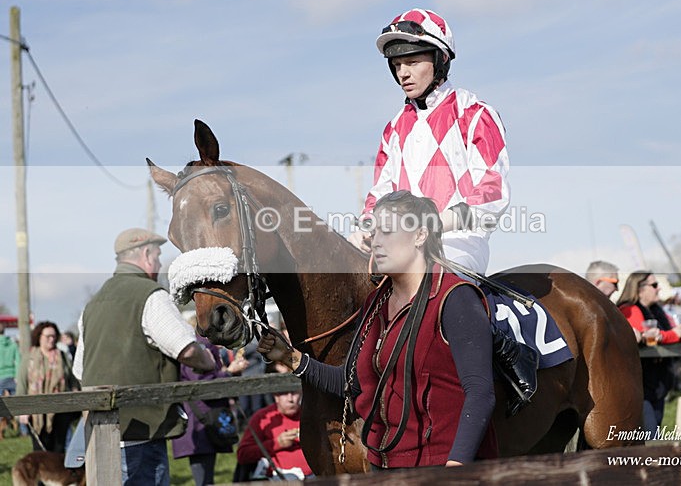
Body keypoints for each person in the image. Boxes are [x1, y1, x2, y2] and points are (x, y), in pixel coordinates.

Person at [261, 191, 499, 469]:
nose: (376, 242)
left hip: (440, 468)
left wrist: (456, 468)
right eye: (374, 233)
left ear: (420, 236)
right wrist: (291, 358)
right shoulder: (376, 301)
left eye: (387, 232)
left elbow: (480, 393)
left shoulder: (455, 297)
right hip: (383, 466)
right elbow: (351, 385)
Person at [347, 8, 510, 274]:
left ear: (440, 60)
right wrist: (365, 228)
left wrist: (434, 223)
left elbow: (492, 191)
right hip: (401, 245)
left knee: (430, 277)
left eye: (412, 63)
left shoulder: (475, 114)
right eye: (397, 65)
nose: (403, 74)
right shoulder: (394, 128)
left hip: (457, 242)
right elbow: (381, 192)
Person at [73, 227, 216, 486]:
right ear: (147, 255)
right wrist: (208, 362)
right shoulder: (151, 296)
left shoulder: (93, 304)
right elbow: (187, 349)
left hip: (100, 438)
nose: (160, 263)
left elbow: (79, 370)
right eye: (159, 256)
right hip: (142, 435)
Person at [172, 310, 249, 486]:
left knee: (206, 478)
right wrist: (230, 372)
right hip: (201, 420)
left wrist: (229, 373)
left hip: (205, 418)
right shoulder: (197, 347)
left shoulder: (200, 345)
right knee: (204, 480)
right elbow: (201, 382)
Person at [617, 271, 681, 436]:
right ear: (640, 289)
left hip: (657, 381)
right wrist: (672, 335)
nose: (659, 289)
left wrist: (672, 335)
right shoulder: (629, 309)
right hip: (639, 382)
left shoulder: (658, 310)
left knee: (655, 428)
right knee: (650, 434)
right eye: (655, 285)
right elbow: (646, 336)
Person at [17, 321, 80, 452]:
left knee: (59, 450)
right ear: (39, 336)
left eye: (54, 336)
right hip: (36, 413)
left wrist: (76, 397)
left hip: (61, 411)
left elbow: (72, 380)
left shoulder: (62, 356)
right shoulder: (29, 358)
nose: (51, 339)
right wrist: (22, 410)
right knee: (40, 451)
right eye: (48, 336)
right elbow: (22, 385)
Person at [237, 384, 313, 480]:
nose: (290, 399)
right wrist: (277, 443)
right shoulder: (263, 418)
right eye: (284, 394)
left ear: (301, 393)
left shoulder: (310, 415)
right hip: (279, 477)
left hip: (316, 475)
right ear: (276, 396)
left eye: (294, 393)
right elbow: (243, 455)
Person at [0, 322, 21, 397]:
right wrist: (17, 376)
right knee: (14, 402)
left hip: (0, 376)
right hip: (11, 376)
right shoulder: (13, 344)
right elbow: (18, 362)